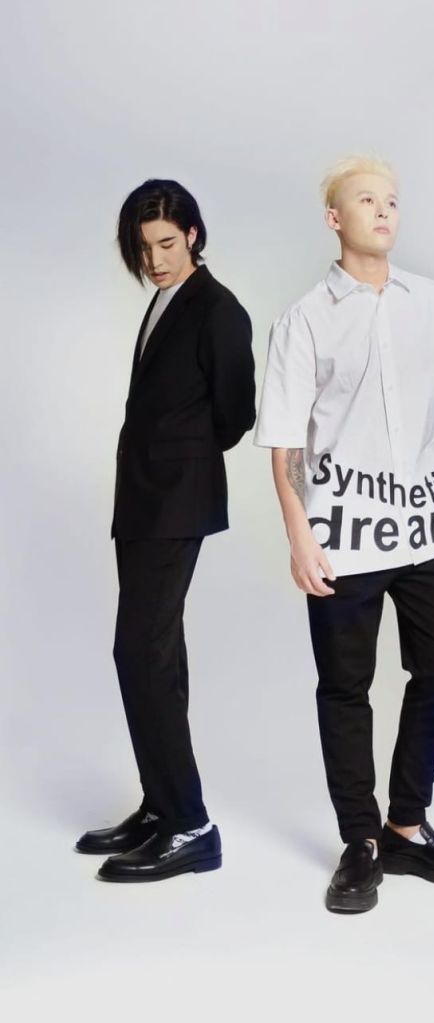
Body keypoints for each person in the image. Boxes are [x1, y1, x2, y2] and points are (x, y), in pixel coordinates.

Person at [255, 156, 434, 914]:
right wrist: (299, 534)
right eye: (366, 200)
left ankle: (405, 826)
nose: (384, 211)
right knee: (345, 688)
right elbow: (285, 440)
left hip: (426, 525)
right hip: (343, 534)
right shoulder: (304, 319)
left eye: (391, 200)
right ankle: (360, 842)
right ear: (335, 218)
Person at [76, 179, 255, 882]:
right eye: (144, 247)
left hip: (176, 502)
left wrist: (179, 458)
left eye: (166, 243)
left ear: (194, 235)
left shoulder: (218, 309)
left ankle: (191, 825)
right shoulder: (164, 298)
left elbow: (235, 415)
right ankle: (161, 805)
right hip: (144, 500)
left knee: (139, 651)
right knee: (156, 654)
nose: (154, 259)